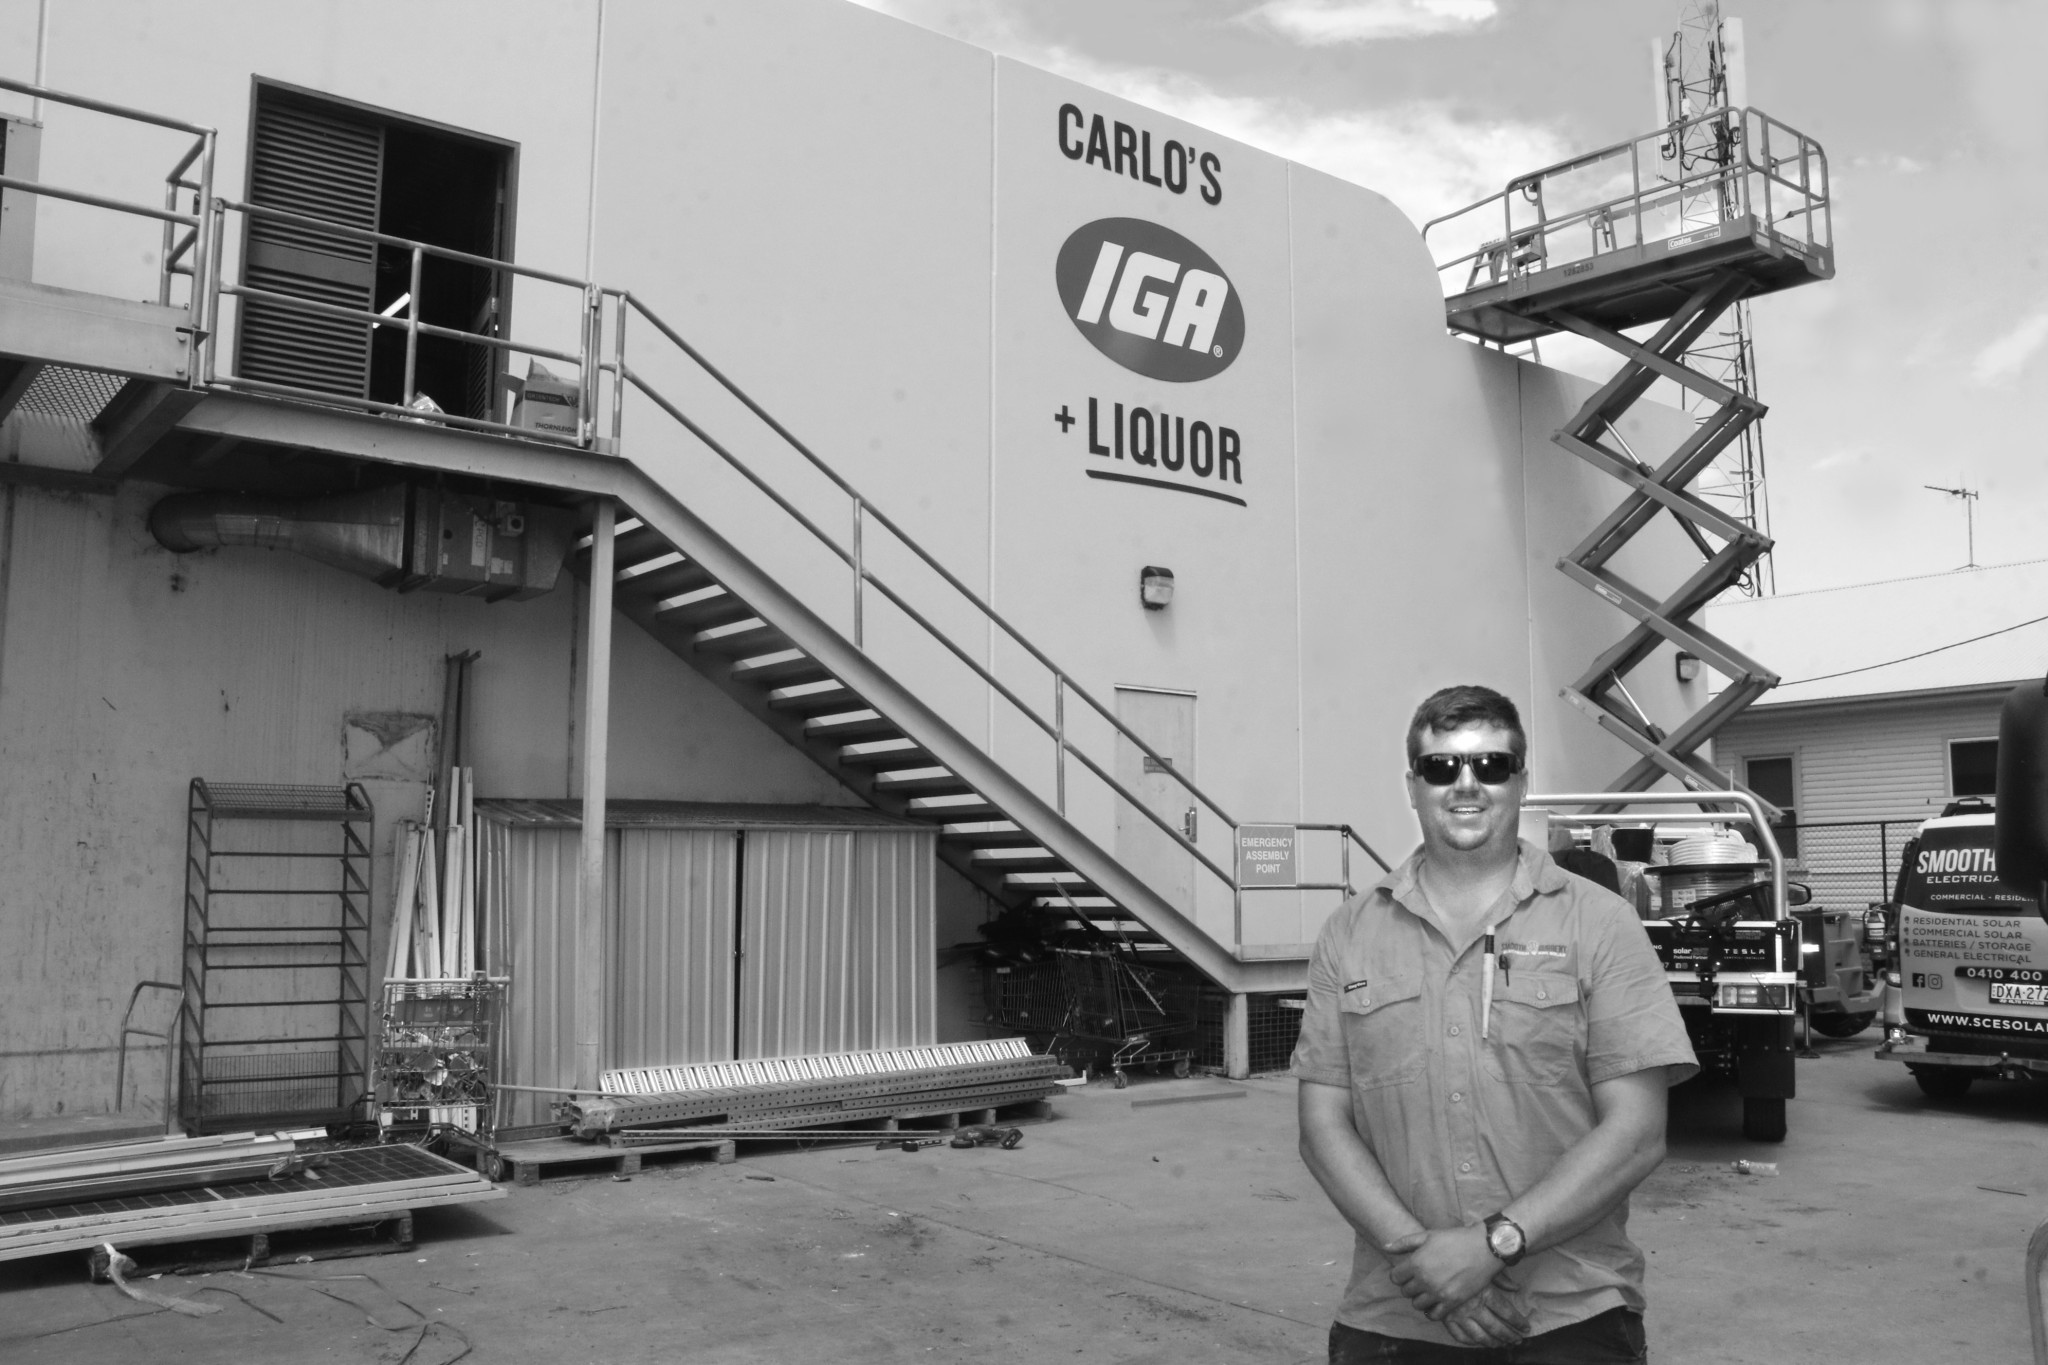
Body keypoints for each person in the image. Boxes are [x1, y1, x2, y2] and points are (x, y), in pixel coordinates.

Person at [1292, 685, 1697, 1363]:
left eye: (1491, 764)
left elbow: (1636, 1132)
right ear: (1413, 785)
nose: (1466, 784)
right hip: (1397, 1309)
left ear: (1522, 780)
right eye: (1442, 767)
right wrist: (1427, 1263)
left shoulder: (1599, 924)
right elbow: (1322, 1126)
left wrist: (1493, 1243)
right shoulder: (1350, 933)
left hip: (1569, 1309)